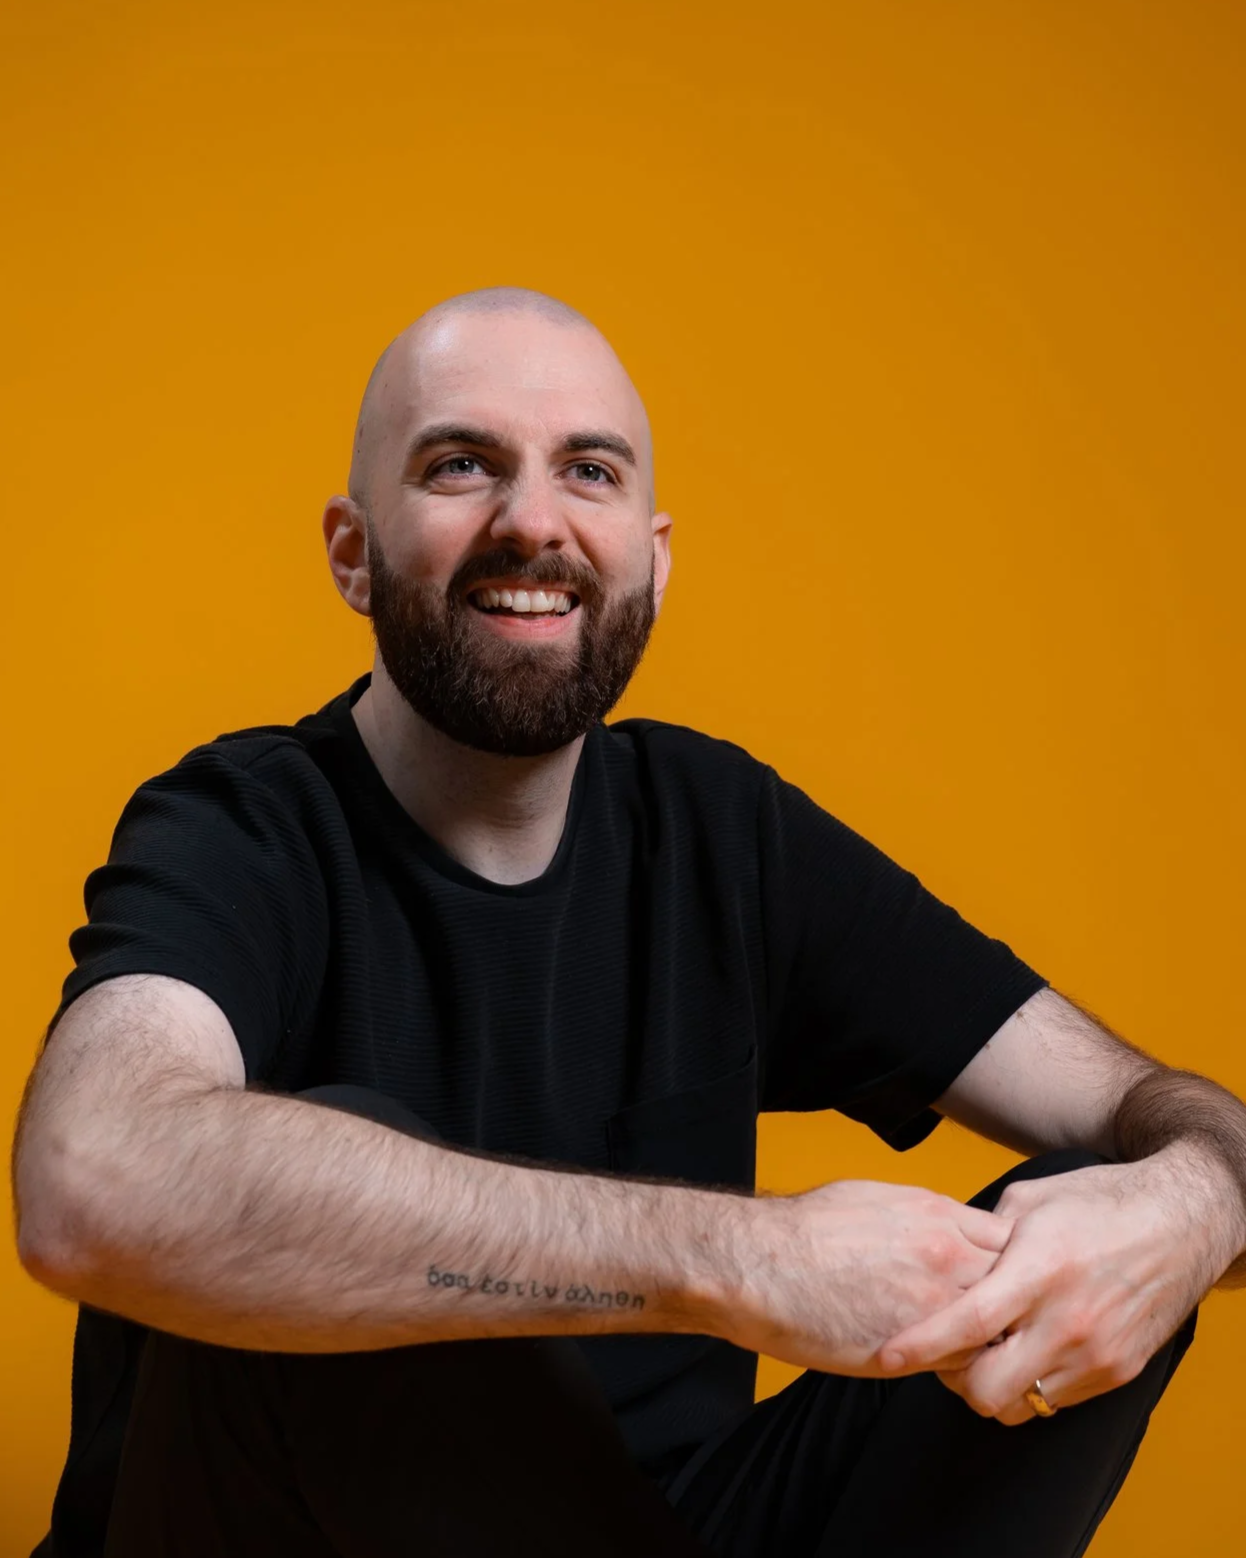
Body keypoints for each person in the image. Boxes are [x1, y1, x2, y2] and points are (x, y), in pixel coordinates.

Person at [13, 286, 1246, 1558]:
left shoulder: (724, 835)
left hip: (665, 1529)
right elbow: (90, 1179)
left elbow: (1156, 1110)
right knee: (327, 1190)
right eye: (460, 464)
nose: (533, 521)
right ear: (351, 551)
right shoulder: (245, 828)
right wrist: (739, 1260)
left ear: (653, 560)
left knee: (1098, 1213)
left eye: (587, 471)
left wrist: (1195, 1203)